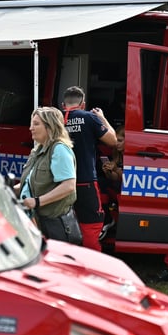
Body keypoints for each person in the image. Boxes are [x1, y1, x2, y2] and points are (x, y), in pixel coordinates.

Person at [61, 86, 117, 251]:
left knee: (63, 226)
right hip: (84, 182)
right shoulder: (89, 117)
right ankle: (91, 266)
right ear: (83, 104)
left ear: (63, 104)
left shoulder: (54, 119)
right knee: (91, 227)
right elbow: (113, 141)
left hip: (60, 183)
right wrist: (102, 118)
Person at [17, 107, 77, 242]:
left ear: (50, 127)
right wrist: (6, 189)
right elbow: (30, 182)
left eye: (36, 124)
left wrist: (37, 201)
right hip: (36, 222)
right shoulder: (38, 149)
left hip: (52, 226)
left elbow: (69, 186)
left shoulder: (59, 149)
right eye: (31, 123)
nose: (31, 128)